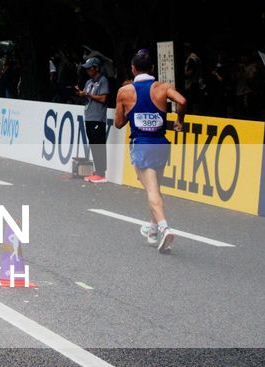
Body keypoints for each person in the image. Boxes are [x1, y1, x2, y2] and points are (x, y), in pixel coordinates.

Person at [115, 48, 185, 253]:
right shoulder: (162, 88)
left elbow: (118, 123)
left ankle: (164, 228)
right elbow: (182, 101)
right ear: (153, 68)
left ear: (133, 69)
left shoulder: (125, 92)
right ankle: (153, 230)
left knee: (152, 190)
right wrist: (179, 121)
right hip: (161, 145)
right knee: (156, 188)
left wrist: (131, 111)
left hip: (142, 145)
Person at [78, 56, 111, 181]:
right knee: (93, 144)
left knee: (99, 144)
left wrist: (88, 95)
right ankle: (97, 171)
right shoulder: (88, 82)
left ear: (96, 68)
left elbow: (103, 99)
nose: (87, 71)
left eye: (89, 68)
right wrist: (82, 94)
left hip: (98, 118)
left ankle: (101, 172)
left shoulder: (103, 81)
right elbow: (87, 97)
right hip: (89, 116)